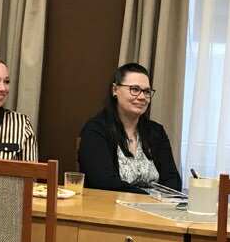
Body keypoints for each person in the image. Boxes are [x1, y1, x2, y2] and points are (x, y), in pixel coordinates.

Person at [78, 63, 182, 194]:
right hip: (111, 204)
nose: (142, 97)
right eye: (135, 89)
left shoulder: (156, 132)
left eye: (146, 91)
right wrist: (148, 196)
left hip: (156, 204)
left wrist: (156, 201)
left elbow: (173, 181)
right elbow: (103, 182)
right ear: (115, 90)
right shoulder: (95, 130)